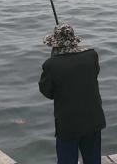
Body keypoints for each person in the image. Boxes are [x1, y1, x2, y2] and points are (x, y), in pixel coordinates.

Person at [39, 23, 106, 164]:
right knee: (93, 160)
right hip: (93, 119)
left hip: (68, 125)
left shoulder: (51, 65)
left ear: (55, 44)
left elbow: (47, 92)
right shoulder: (92, 56)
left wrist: (55, 58)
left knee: (67, 160)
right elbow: (93, 74)